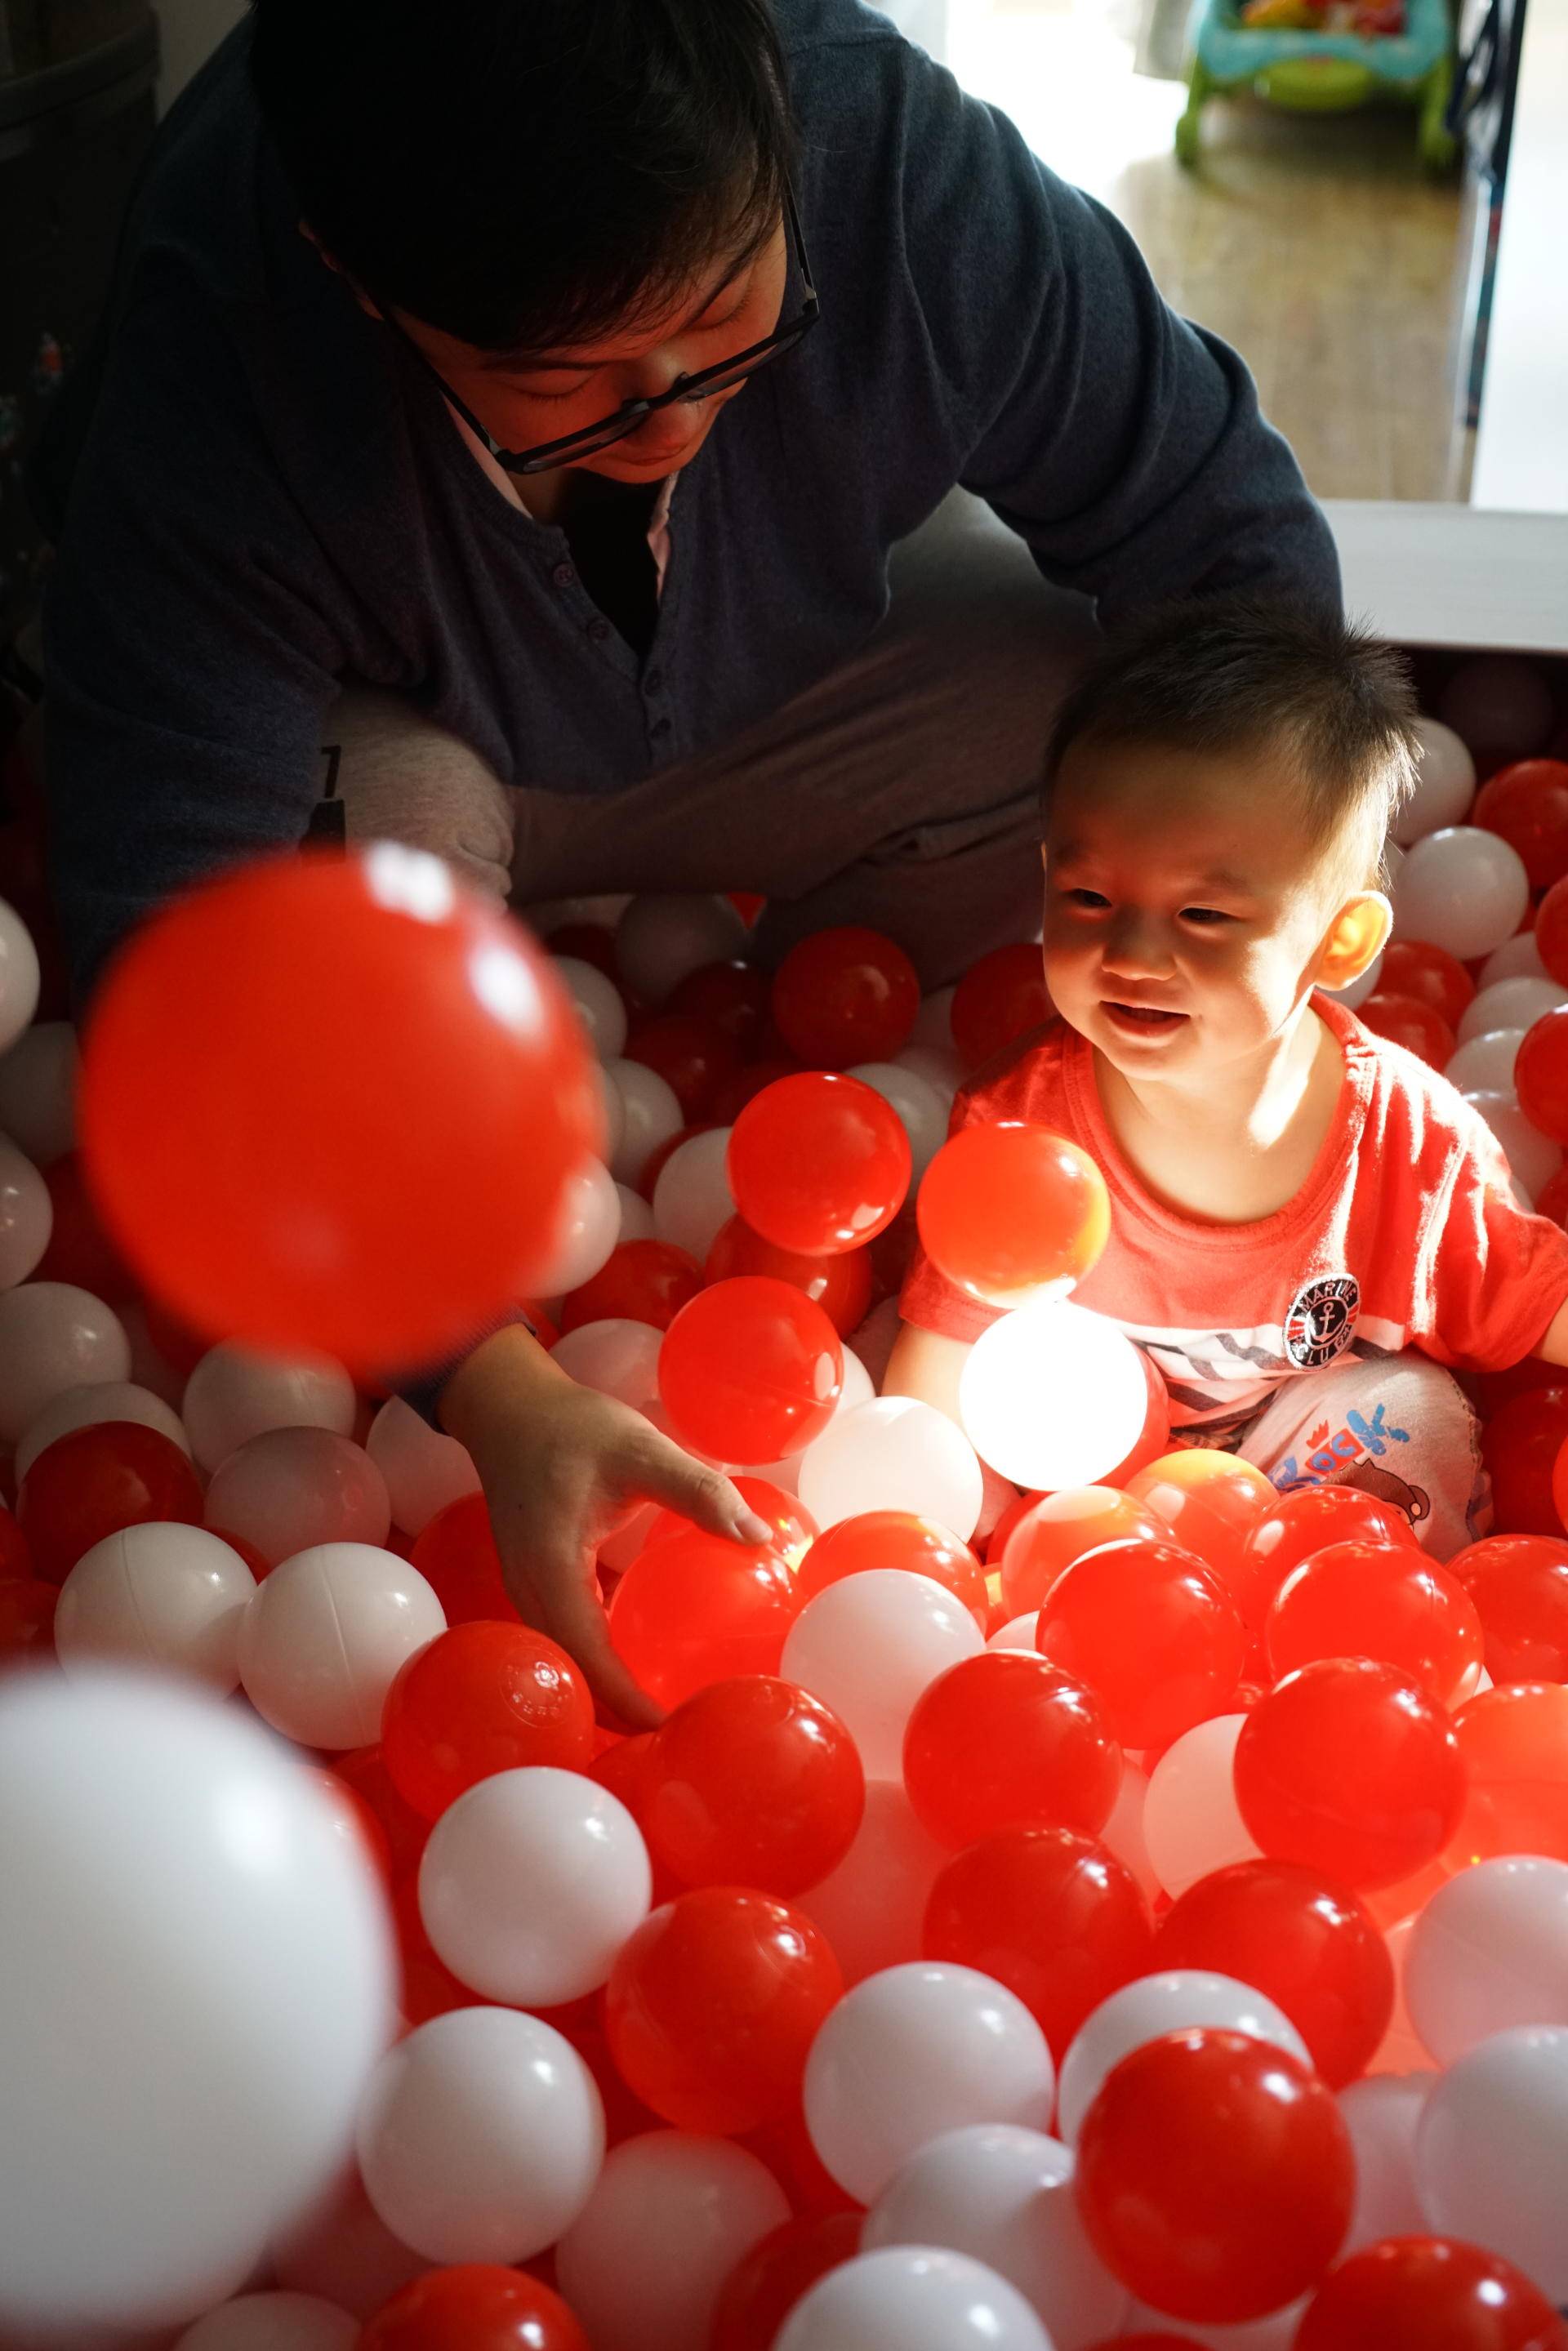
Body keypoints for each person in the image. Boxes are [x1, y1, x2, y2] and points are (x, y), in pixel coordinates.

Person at [34, 0, 1343, 1718]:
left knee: (1104, 733)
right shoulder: (230, 357)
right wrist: (486, 1379)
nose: (662, 414)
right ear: (362, 285)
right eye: (560, 381)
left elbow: (1226, 539)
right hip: (401, 750)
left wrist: (1271, 928)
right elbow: (179, 975)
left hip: (771, 701)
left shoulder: (893, 169)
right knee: (337, 932)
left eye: (730, 317)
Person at [888, 599, 1568, 1559]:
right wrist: (931, 1547)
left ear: (1339, 941)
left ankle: (1355, 1608)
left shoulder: (1407, 1135)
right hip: (1082, 1490)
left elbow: (1528, 1289)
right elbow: (945, 1359)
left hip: (1298, 1462)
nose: (1132, 953)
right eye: (1088, 896)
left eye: (1203, 915)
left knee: (1414, 1411)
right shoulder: (1020, 1127)